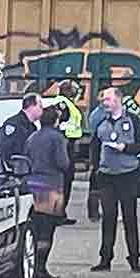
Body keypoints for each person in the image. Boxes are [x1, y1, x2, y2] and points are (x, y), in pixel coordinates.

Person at [90, 87, 140, 273]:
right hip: (107, 176)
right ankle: (105, 258)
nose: (104, 102)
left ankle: (134, 259)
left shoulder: (134, 121)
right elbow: (94, 147)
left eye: (107, 99)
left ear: (117, 100)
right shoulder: (101, 122)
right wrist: (97, 167)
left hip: (127, 174)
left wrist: (126, 148)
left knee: (130, 218)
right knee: (108, 217)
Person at [23, 106, 70, 278]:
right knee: (47, 229)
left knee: (35, 227)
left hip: (32, 185)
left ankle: (32, 265)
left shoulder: (32, 137)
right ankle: (41, 267)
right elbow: (62, 162)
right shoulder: (57, 138)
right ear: (56, 121)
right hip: (51, 186)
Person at [55, 81, 84, 226]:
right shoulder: (62, 104)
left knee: (66, 182)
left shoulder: (66, 103)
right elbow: (61, 124)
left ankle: (61, 212)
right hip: (65, 145)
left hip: (69, 144)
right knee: (64, 182)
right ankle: (59, 214)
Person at [0, 93, 43, 164]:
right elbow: (4, 149)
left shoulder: (32, 127)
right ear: (32, 107)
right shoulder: (13, 123)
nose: (42, 110)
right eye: (40, 106)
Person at [86, 103, 106, 221]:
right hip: (101, 157)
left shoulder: (96, 113)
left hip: (97, 157)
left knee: (94, 187)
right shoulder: (101, 116)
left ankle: (93, 213)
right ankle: (94, 213)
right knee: (97, 187)